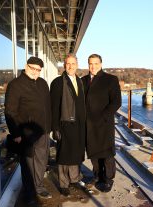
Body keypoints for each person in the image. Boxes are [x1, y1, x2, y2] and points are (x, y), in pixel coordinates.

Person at [4, 56, 52, 202]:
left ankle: (39, 186)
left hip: (42, 130)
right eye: (33, 68)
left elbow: (47, 107)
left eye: (38, 70)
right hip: (26, 133)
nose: (35, 72)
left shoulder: (43, 83)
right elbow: (10, 111)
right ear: (26, 66)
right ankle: (30, 192)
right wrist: (16, 133)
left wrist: (49, 127)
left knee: (42, 161)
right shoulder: (16, 85)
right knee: (28, 165)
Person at [82, 54, 121, 192]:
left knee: (106, 153)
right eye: (90, 64)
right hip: (88, 124)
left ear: (101, 64)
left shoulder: (110, 79)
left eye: (96, 63)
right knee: (93, 152)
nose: (93, 66)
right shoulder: (83, 80)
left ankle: (108, 178)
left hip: (104, 123)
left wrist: (104, 116)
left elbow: (116, 102)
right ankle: (97, 176)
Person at [50, 54, 86, 196]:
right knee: (64, 154)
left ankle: (75, 178)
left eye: (73, 63)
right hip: (64, 123)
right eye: (68, 64)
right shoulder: (58, 82)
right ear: (64, 66)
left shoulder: (80, 81)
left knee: (76, 153)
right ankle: (64, 183)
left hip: (79, 124)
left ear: (77, 65)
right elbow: (54, 107)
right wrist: (55, 127)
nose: (71, 66)